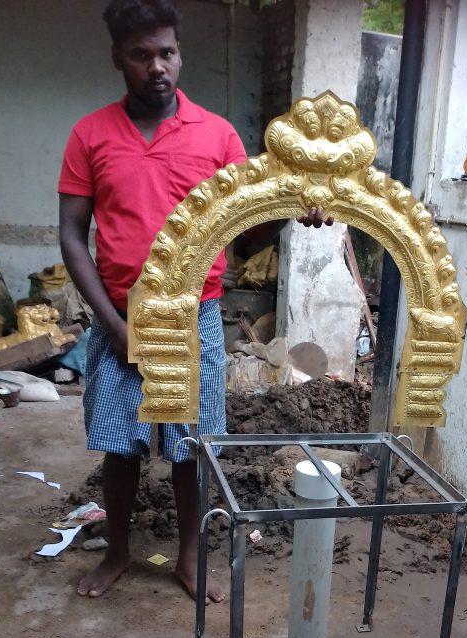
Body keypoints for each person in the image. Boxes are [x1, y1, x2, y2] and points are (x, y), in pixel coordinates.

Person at [59, 0, 332, 601]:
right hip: (121, 316)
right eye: (141, 55)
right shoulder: (90, 135)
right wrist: (114, 326)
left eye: (167, 53)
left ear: (179, 54)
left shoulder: (217, 136)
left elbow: (248, 229)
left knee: (192, 446)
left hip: (195, 318)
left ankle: (188, 555)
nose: (157, 67)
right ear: (118, 59)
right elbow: (71, 237)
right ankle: (121, 552)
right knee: (120, 445)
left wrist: (290, 213)